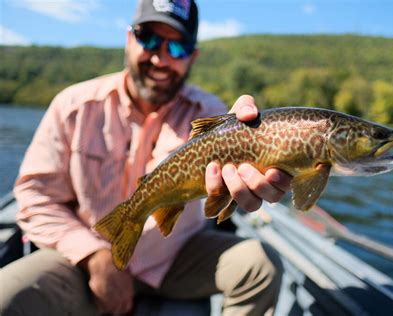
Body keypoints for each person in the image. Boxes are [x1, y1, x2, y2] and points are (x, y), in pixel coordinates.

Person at [0, 0, 292, 315]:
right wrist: (95, 257)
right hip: (83, 259)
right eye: (149, 38)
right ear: (129, 39)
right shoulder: (73, 106)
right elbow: (33, 196)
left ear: (193, 56)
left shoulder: (209, 114)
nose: (159, 58)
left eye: (177, 48)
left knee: (261, 266)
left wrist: (262, 149)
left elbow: (229, 187)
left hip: (173, 258)